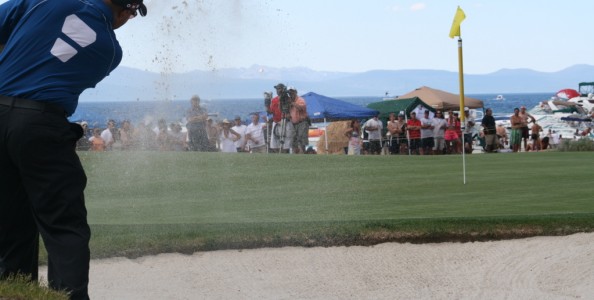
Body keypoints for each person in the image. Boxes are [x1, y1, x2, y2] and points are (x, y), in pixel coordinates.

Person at [0, 1, 147, 298]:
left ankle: (13, 290)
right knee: (64, 226)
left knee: (11, 221)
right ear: (126, 10)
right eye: (132, 12)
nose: (129, 18)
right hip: (41, 124)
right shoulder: (110, 52)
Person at [268, 83, 294, 153]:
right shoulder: (274, 100)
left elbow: (291, 109)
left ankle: (285, 155)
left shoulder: (288, 99)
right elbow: (271, 111)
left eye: (279, 89)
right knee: (274, 143)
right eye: (277, 89)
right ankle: (278, 155)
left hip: (286, 121)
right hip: (276, 122)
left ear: (283, 89)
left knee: (287, 143)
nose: (278, 90)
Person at [288, 87, 309, 154]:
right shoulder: (289, 101)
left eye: (292, 92)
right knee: (293, 140)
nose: (291, 94)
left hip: (302, 122)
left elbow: (301, 108)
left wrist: (292, 103)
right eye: (289, 93)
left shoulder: (301, 100)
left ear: (295, 92)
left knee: (301, 139)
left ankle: (302, 153)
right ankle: (295, 154)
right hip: (293, 123)